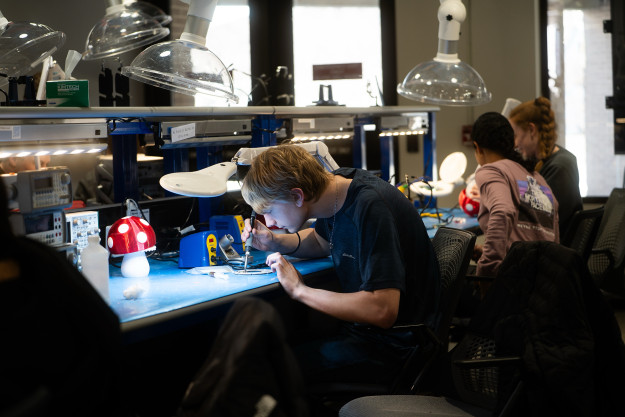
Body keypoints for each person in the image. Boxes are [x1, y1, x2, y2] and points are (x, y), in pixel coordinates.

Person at [239, 144, 440, 388]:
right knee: (273, 346)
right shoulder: (337, 187)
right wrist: (273, 241)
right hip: (363, 333)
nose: (268, 221)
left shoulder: (370, 206)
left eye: (268, 211)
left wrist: (299, 291)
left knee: (267, 371)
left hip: (395, 348)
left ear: (297, 196)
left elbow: (382, 310)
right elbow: (322, 240)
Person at [471, 112, 559, 281]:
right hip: (545, 282)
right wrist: (494, 252)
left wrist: (488, 268)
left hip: (514, 285)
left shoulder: (490, 170)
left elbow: (502, 211)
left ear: (478, 147)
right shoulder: (536, 178)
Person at [508, 97, 583, 237]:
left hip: (554, 252)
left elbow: (534, 222)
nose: (515, 144)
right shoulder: (556, 159)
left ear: (531, 129)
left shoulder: (558, 168)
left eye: (516, 135)